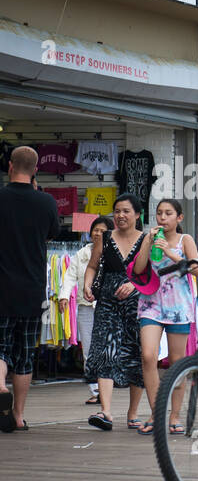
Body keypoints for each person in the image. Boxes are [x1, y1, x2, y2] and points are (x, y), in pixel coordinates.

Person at [0, 145, 60, 433]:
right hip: (31, 289)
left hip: (1, 287)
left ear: (10, 166)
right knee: (24, 353)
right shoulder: (46, 203)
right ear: (35, 170)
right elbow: (52, 232)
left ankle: (0, 384)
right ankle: (19, 416)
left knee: (0, 347)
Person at [131, 198, 198, 436]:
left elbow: (197, 269)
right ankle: (156, 412)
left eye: (168, 213)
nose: (162, 218)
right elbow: (139, 269)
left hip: (179, 307)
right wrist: (147, 243)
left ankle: (175, 415)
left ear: (179, 218)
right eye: (159, 213)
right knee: (148, 355)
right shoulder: (150, 239)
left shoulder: (185, 240)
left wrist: (170, 253)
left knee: (176, 361)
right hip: (151, 304)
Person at [83, 194, 146, 431]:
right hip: (108, 300)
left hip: (137, 302)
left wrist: (135, 284)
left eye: (126, 211)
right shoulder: (105, 237)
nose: (120, 215)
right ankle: (106, 412)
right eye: (117, 211)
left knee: (135, 352)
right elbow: (92, 265)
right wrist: (87, 284)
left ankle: (133, 413)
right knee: (104, 349)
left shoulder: (146, 239)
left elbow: (153, 272)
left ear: (137, 215)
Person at [59, 215, 114, 407]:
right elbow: (70, 276)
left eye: (102, 230)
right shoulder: (82, 253)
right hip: (85, 307)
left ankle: (106, 387)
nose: (98, 233)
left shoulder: (113, 253)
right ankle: (95, 390)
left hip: (107, 307)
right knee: (89, 350)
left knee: (106, 348)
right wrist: (64, 296)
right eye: (95, 230)